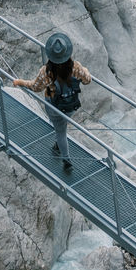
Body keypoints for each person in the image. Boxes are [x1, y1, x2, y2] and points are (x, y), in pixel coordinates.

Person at [13, 32, 91, 172]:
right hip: (71, 105)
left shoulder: (46, 71)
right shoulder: (76, 67)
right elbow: (87, 80)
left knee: (60, 131)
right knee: (61, 126)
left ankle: (66, 159)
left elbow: (35, 87)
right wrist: (85, 70)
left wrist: (20, 82)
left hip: (54, 106)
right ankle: (58, 143)